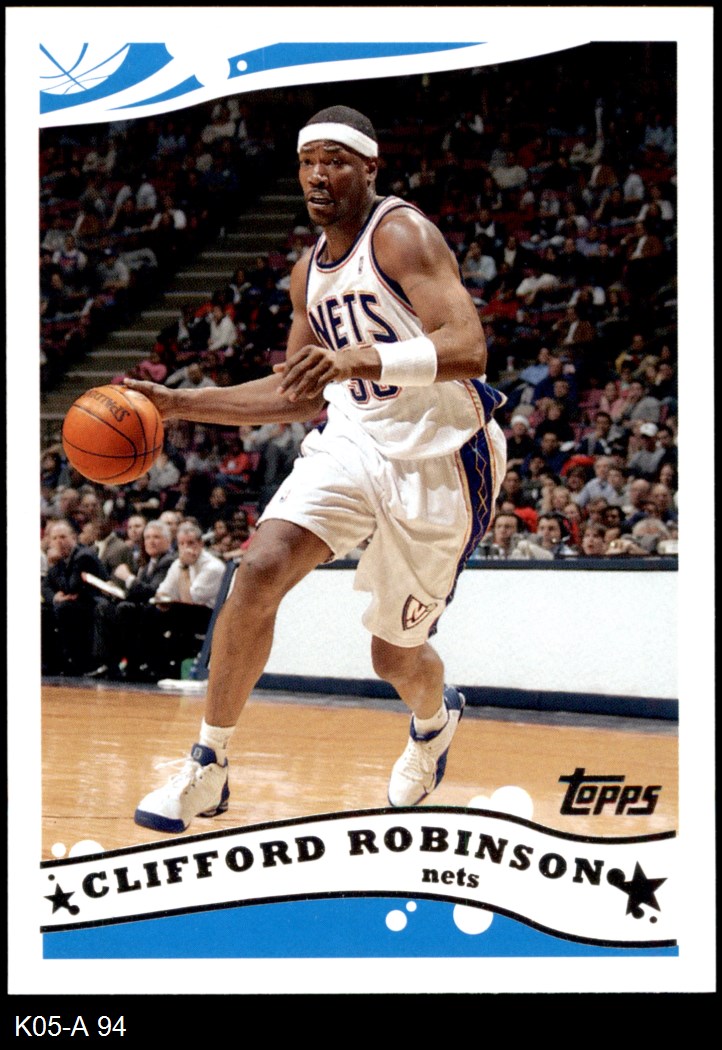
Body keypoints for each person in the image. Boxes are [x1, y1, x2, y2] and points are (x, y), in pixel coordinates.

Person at [125, 105, 508, 833]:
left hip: (442, 455)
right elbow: (298, 393)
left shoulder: (402, 234)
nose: (317, 176)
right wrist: (179, 403)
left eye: (335, 161)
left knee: (393, 656)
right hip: (354, 440)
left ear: (369, 168)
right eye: (307, 163)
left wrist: (362, 359)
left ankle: (434, 723)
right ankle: (209, 764)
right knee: (259, 567)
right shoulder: (308, 274)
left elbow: (468, 348)